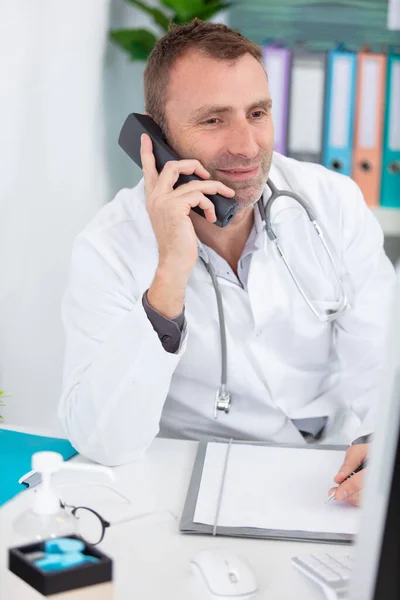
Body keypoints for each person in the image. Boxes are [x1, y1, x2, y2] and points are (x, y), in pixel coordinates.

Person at [59, 20, 396, 506]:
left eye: (257, 112)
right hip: (190, 479)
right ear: (153, 137)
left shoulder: (333, 201)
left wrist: (379, 444)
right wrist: (170, 272)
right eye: (213, 120)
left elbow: (382, 365)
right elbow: (103, 441)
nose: (247, 145)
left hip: (330, 470)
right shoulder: (108, 248)